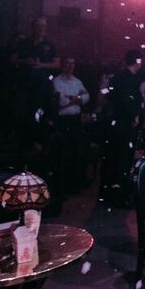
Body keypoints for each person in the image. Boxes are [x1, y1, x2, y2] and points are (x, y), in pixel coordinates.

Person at [9, 18, 60, 149]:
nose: (42, 28)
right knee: (20, 110)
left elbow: (57, 63)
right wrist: (25, 61)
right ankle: (20, 140)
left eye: (44, 25)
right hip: (24, 82)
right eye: (40, 25)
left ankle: (35, 140)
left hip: (41, 84)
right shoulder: (23, 43)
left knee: (37, 112)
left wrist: (41, 65)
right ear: (34, 27)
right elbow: (12, 60)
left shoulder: (50, 44)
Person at [104, 50, 143, 195]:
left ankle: (111, 189)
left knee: (115, 156)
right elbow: (127, 99)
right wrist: (134, 115)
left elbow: (111, 96)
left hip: (116, 121)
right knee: (124, 157)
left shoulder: (117, 77)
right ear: (138, 62)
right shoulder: (130, 78)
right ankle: (120, 193)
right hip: (125, 123)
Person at [52, 57, 90, 194]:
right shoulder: (56, 81)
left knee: (76, 152)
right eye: (68, 63)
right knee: (64, 153)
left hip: (75, 119)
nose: (70, 66)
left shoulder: (77, 81)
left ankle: (74, 184)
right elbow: (60, 101)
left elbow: (86, 97)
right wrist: (76, 99)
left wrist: (73, 98)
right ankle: (63, 185)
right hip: (63, 120)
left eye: (73, 63)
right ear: (63, 65)